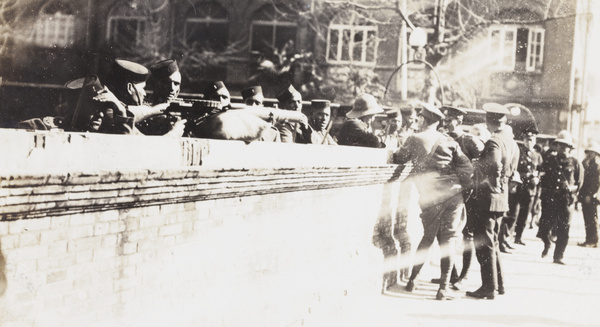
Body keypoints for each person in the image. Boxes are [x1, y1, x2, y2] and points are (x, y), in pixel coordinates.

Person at [394, 102, 473, 300]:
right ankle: (443, 289)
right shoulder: (449, 141)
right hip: (453, 197)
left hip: (429, 198)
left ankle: (412, 280)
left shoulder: (414, 139)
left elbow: (398, 157)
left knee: (427, 238)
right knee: (448, 242)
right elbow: (467, 169)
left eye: (419, 118)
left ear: (423, 119)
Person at [466, 103, 519, 300]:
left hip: (488, 199)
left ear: (490, 121)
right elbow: (511, 168)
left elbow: (495, 165)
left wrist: (491, 181)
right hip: (501, 199)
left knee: (485, 244)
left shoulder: (494, 141)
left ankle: (488, 287)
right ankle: (499, 285)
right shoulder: (511, 141)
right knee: (493, 242)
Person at [432, 105, 484, 289]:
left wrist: (470, 186)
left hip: (467, 196)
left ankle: (464, 276)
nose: (445, 124)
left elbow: (481, 166)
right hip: (445, 194)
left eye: (449, 121)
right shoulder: (441, 139)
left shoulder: (470, 141)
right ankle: (450, 274)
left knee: (466, 236)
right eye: (443, 120)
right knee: (442, 234)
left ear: (459, 121)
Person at [536, 130, 583, 264]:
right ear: (556, 146)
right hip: (550, 199)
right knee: (544, 227)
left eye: (565, 145)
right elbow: (542, 179)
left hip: (566, 200)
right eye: (560, 145)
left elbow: (580, 183)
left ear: (570, 148)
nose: (563, 148)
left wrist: (571, 188)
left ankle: (558, 256)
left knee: (564, 229)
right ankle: (547, 244)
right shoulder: (549, 160)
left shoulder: (575, 162)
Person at [501, 127, 543, 248]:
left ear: (535, 141)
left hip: (530, 190)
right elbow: (514, 170)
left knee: (525, 215)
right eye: (527, 139)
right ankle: (506, 238)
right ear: (523, 140)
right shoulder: (518, 152)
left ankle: (518, 237)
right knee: (513, 214)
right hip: (518, 188)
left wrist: (537, 178)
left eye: (531, 140)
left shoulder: (537, 155)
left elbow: (540, 171)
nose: (529, 142)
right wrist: (528, 175)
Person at [577, 144, 600, 248]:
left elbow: (596, 182)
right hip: (585, 195)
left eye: (591, 152)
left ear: (596, 154)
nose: (589, 154)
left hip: (591, 196)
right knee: (587, 218)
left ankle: (593, 240)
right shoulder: (586, 163)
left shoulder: (596, 165)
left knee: (592, 218)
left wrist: (590, 195)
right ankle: (588, 239)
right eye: (588, 152)